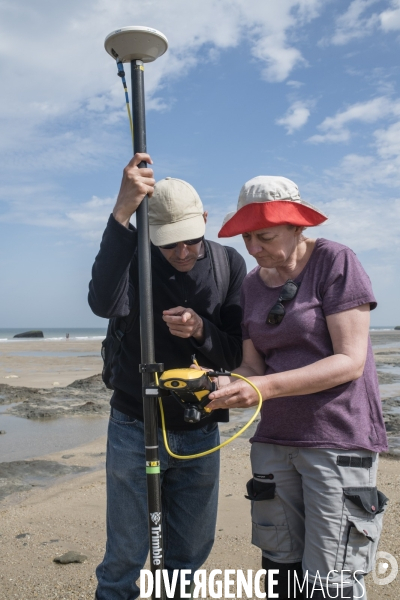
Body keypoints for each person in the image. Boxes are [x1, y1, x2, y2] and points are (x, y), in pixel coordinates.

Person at [204, 176, 388, 600]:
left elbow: (349, 361)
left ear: (297, 226)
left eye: (264, 236)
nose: (253, 248)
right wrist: (224, 384)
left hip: (336, 440)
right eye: (247, 237)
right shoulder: (252, 284)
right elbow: (252, 365)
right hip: (273, 441)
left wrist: (262, 386)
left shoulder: (336, 261)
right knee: (280, 574)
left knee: (332, 582)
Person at [88, 153, 246, 600]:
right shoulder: (134, 255)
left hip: (200, 426)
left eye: (191, 240)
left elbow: (236, 351)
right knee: (125, 556)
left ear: (206, 222)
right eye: (169, 244)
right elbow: (102, 302)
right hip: (134, 423)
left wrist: (200, 331)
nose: (182, 253)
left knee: (189, 555)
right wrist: (121, 212)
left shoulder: (228, 264)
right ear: (149, 234)